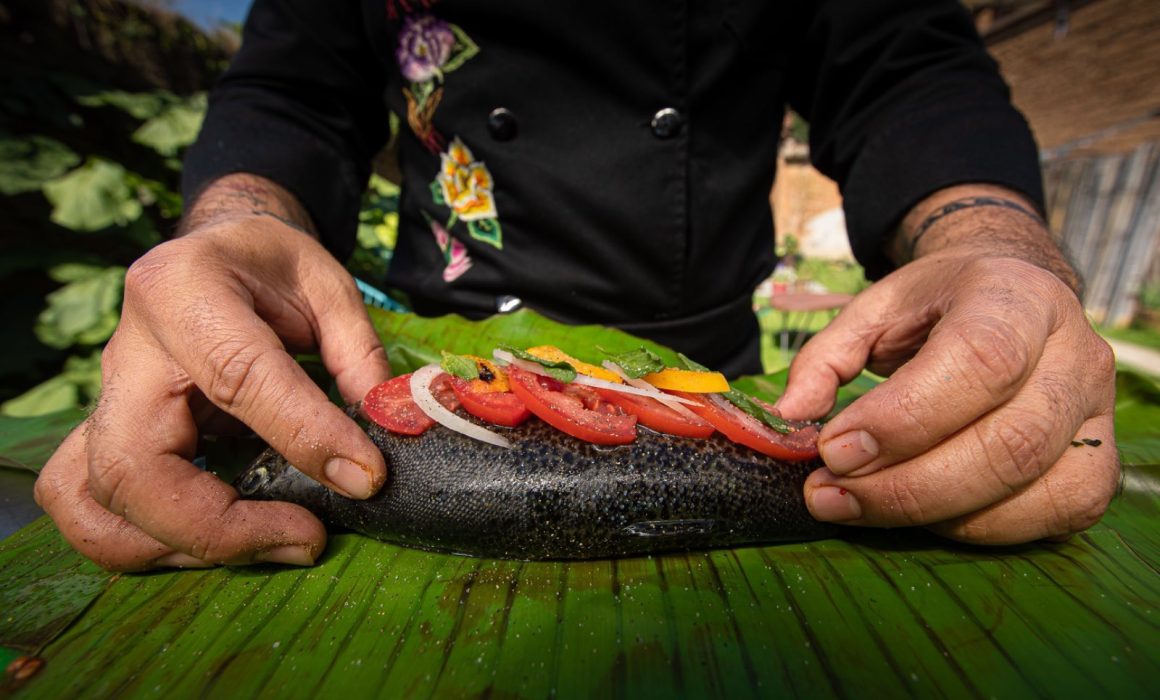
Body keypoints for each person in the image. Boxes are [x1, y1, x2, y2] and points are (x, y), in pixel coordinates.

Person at [34, 0, 1119, 570]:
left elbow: (907, 69)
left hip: (703, 389)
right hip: (430, 373)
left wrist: (1001, 248)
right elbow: (288, 90)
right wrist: (230, 227)